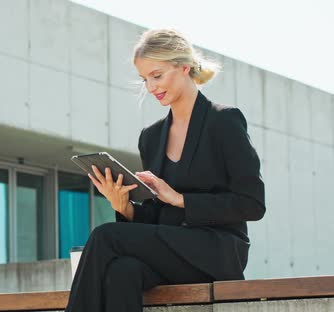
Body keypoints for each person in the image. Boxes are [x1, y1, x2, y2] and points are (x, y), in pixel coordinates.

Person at [65, 28, 266, 312]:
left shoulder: (224, 121)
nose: (150, 87)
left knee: (104, 236)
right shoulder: (151, 137)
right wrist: (126, 208)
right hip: (172, 251)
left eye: (157, 76)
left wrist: (180, 199)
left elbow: (253, 204)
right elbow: (159, 218)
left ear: (184, 67)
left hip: (215, 251)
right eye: (144, 79)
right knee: (122, 271)